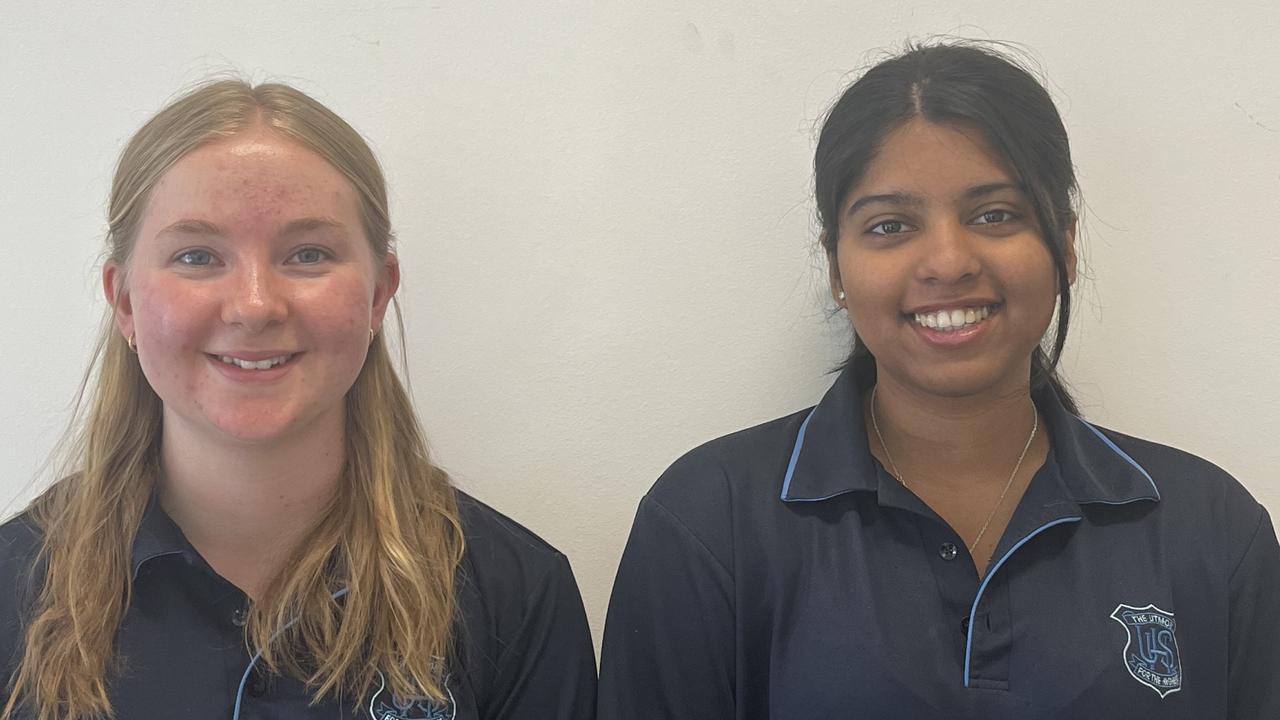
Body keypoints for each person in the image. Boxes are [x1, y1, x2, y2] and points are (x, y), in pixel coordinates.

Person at [598, 42, 1279, 719]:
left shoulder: (1210, 530)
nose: (948, 262)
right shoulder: (711, 521)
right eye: (890, 226)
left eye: (995, 215)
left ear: (1066, 244)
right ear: (836, 268)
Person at [0, 80, 596, 720]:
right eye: (198, 256)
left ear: (377, 294)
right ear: (124, 301)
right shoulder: (14, 590)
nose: (255, 305)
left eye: (308, 254)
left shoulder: (514, 593)